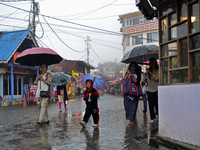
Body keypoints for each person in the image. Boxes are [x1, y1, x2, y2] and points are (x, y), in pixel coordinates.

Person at [146, 57, 159, 124]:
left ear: (155, 63)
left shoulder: (158, 70)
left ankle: (157, 115)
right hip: (149, 89)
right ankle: (152, 118)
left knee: (157, 104)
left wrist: (150, 72)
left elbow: (157, 78)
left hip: (156, 88)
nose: (152, 64)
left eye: (153, 62)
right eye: (150, 62)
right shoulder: (148, 70)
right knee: (150, 104)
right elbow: (148, 79)